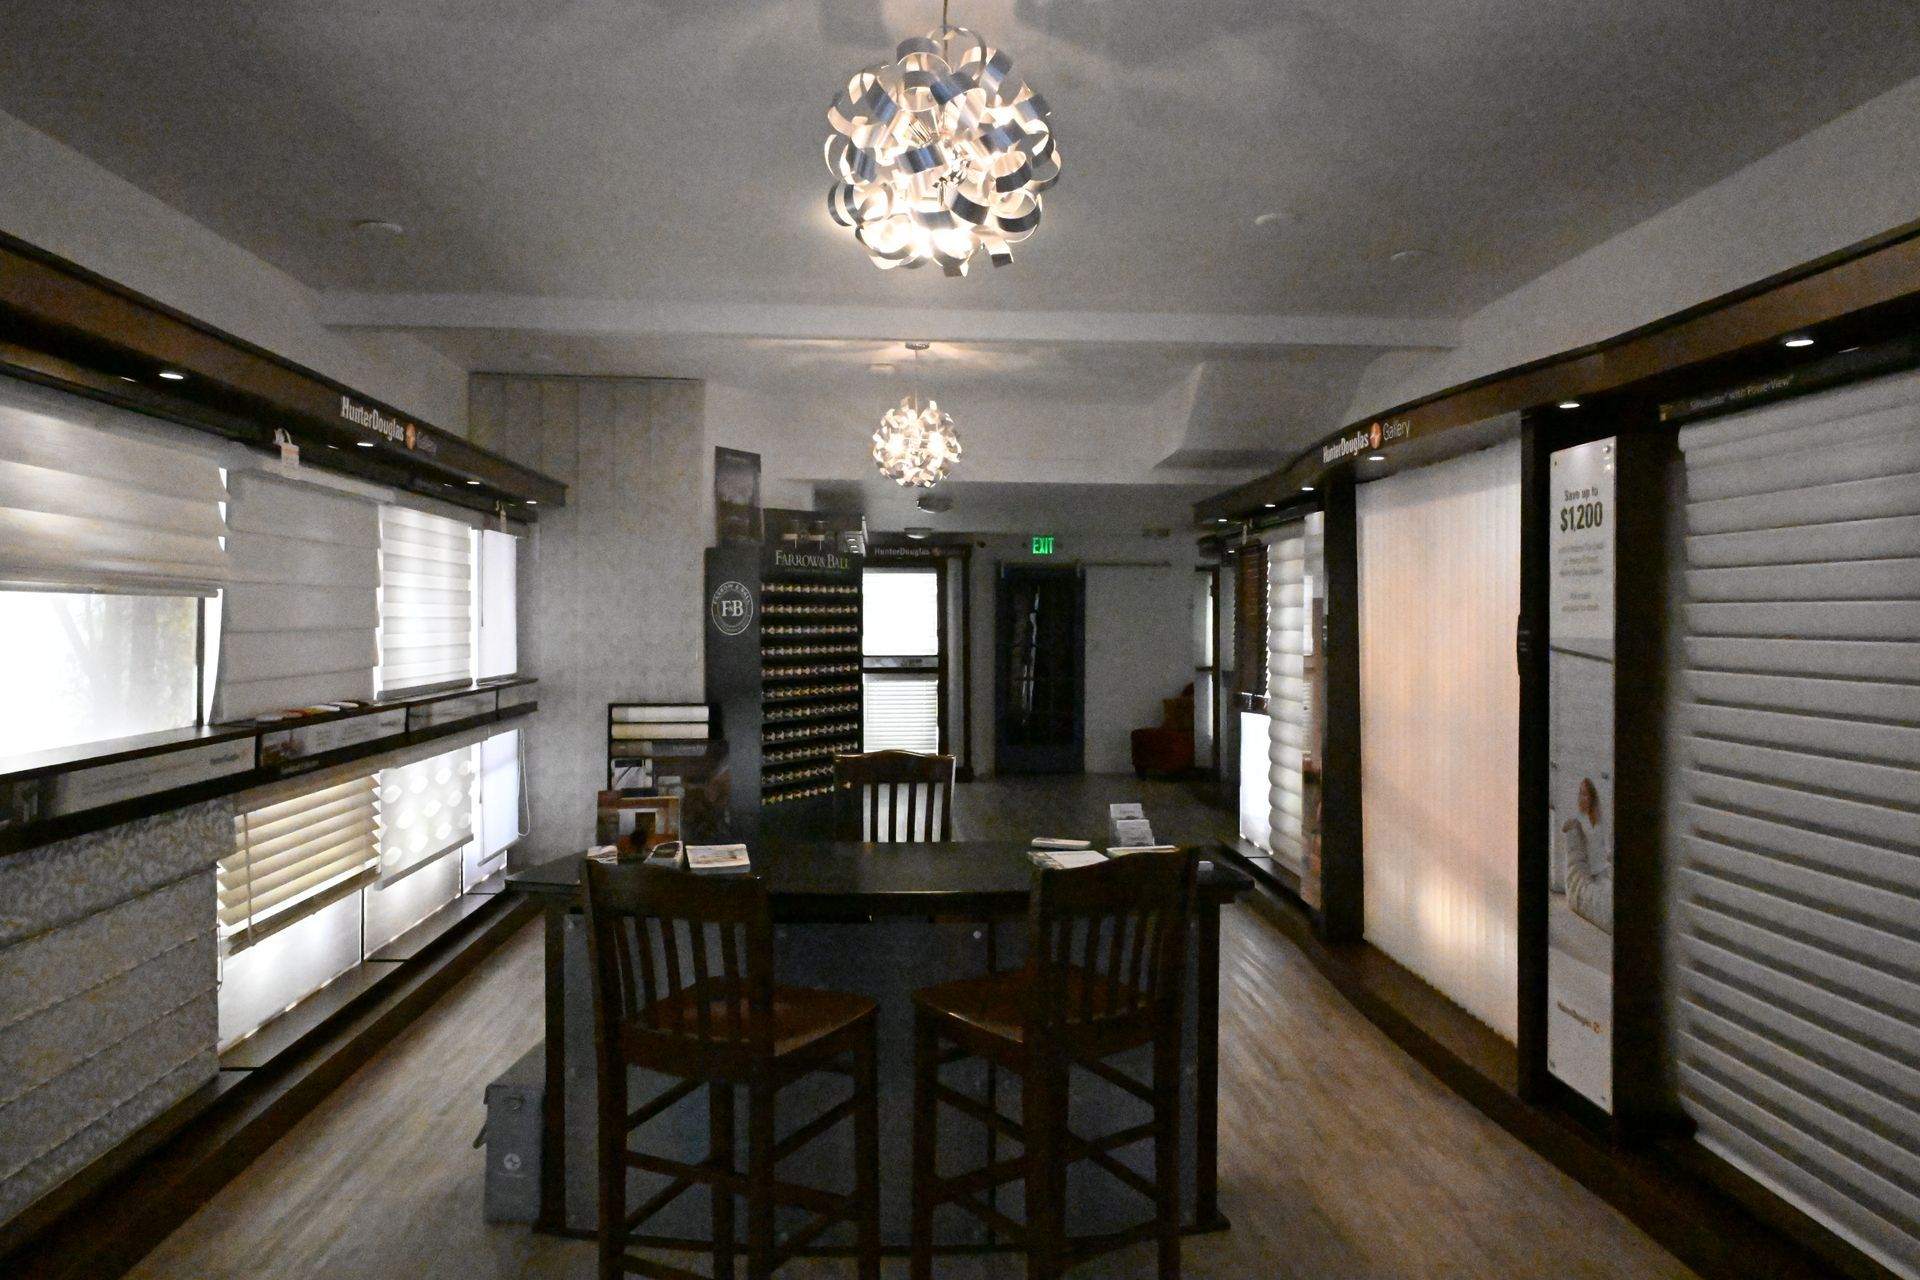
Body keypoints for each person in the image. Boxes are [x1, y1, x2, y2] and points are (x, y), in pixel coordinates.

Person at [1561, 777, 1613, 933]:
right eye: (1581, 794)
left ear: (1592, 797)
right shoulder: (1579, 820)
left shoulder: (1598, 821)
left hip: (1602, 868)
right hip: (1592, 870)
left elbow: (1604, 848)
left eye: (1586, 794)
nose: (1582, 798)